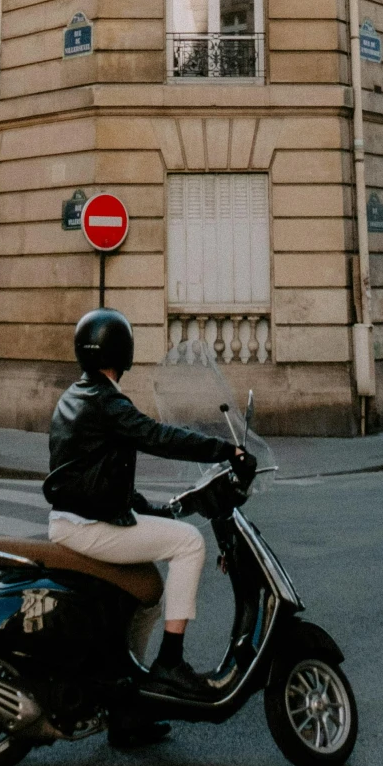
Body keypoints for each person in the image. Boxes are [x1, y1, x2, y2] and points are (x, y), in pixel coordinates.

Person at [44, 308, 249, 731]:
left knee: (146, 591)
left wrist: (147, 509)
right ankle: (170, 663)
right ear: (123, 351)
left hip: (75, 520)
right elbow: (157, 436)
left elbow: (94, 469)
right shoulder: (106, 400)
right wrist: (224, 450)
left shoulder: (76, 395)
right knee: (189, 542)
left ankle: (126, 701)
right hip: (89, 528)